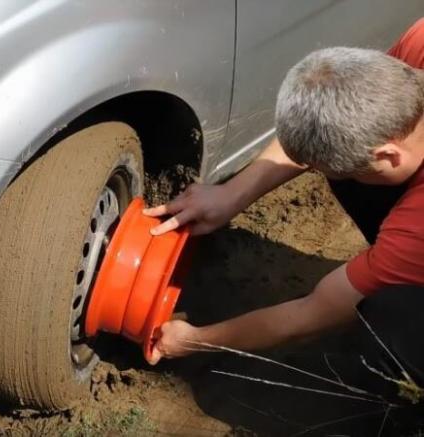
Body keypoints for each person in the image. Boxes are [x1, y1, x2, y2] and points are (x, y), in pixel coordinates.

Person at [145, 18, 424, 395]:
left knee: (385, 321)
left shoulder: (416, 229)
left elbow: (312, 314)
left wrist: (193, 340)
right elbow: (325, 124)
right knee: (345, 168)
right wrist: (232, 194)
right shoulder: (415, 48)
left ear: (388, 155)